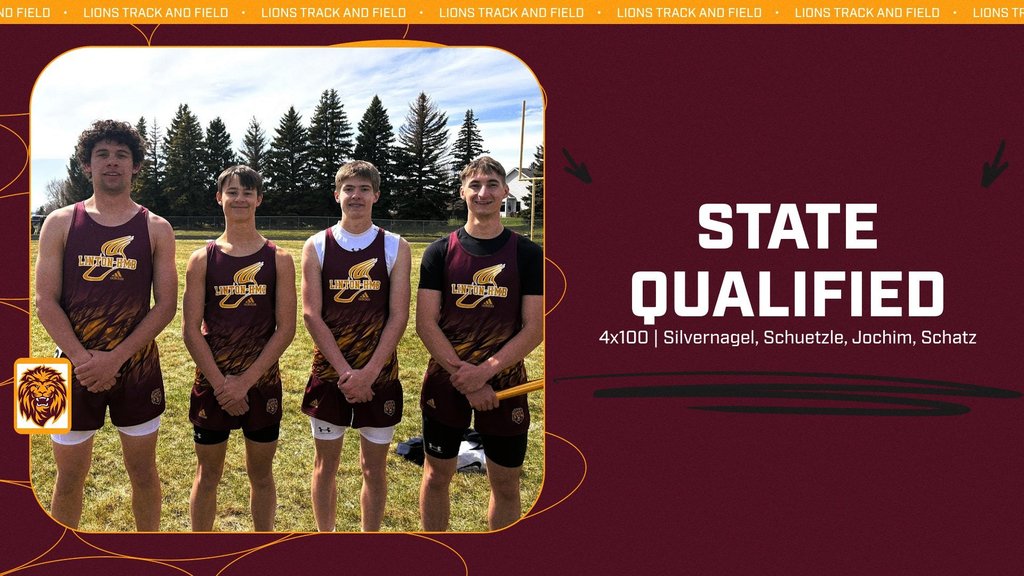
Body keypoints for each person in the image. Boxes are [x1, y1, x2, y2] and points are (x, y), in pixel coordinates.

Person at [34, 119, 177, 530]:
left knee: (145, 475)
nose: (112, 163)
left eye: (121, 155)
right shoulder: (59, 222)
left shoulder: (156, 228)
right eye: (102, 155)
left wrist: (114, 359)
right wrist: (83, 359)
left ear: (136, 167)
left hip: (138, 367)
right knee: (66, 480)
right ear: (86, 166)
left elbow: (165, 305)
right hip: (65, 368)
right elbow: (44, 300)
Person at [416, 156, 544, 531]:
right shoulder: (440, 251)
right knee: (437, 476)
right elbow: (426, 323)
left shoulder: (528, 254)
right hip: (447, 380)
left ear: (505, 191)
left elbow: (534, 328)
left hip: (505, 383)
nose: (483, 192)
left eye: (491, 184)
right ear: (462, 192)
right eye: (474, 185)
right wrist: (466, 378)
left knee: (506, 482)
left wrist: (486, 374)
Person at [182, 165, 296, 532]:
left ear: (259, 199)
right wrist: (221, 385)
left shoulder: (279, 259)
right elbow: (190, 330)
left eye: (247, 192)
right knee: (207, 475)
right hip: (212, 384)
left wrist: (244, 382)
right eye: (232, 192)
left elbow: (286, 328)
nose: (240, 199)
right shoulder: (202, 258)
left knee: (261, 476)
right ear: (219, 198)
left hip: (260, 386)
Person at [301, 160, 411, 532]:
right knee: (325, 467)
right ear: (337, 195)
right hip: (331, 376)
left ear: (376, 195)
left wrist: (369, 373)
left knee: (373, 469)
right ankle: (326, 539)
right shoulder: (317, 245)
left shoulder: (396, 246)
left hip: (379, 378)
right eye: (349, 189)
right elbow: (312, 315)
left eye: (364, 189)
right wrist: (348, 373)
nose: (356, 196)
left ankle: (369, 542)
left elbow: (398, 316)